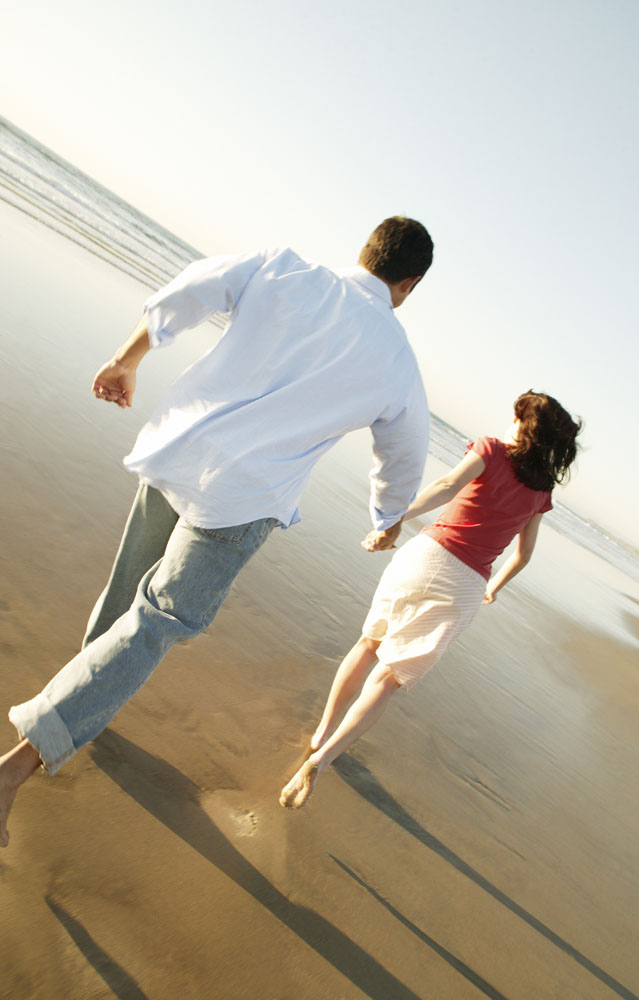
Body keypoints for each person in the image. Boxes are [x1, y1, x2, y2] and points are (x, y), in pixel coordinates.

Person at [0, 217, 434, 847]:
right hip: (243, 497)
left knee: (127, 591)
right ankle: (17, 765)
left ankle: (78, 707)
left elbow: (191, 288)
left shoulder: (285, 268)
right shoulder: (397, 360)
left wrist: (128, 358)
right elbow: (405, 453)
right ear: (409, 284)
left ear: (366, 251)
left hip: (182, 449)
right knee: (155, 624)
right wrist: (387, 518)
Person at [279, 390, 582, 809]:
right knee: (388, 679)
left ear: (522, 423)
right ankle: (323, 759)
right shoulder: (541, 491)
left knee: (368, 645)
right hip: (466, 586)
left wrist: (394, 520)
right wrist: (494, 587)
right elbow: (523, 555)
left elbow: (446, 486)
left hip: (428, 556)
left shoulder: (491, 450)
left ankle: (320, 733)